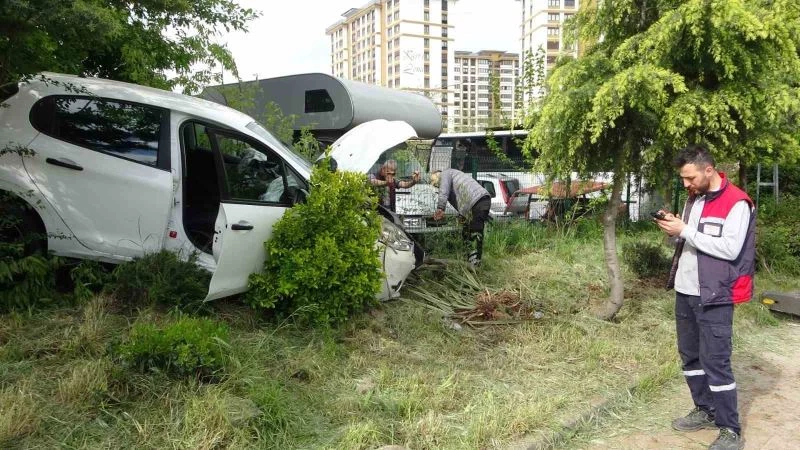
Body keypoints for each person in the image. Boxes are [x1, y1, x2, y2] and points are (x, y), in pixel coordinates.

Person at [655, 144, 755, 450]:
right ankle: (705, 408)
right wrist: (674, 229)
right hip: (686, 290)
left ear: (708, 170)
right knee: (691, 356)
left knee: (717, 362)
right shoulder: (694, 199)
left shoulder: (737, 202)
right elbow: (692, 240)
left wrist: (685, 230)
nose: (686, 184)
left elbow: (730, 249)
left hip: (715, 293)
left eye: (690, 177)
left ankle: (729, 429)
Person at [430, 169, 491, 267]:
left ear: (437, 175)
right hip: (478, 201)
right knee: (467, 232)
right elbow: (460, 199)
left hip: (477, 201)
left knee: (475, 233)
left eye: (433, 181)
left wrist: (440, 208)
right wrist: (462, 215)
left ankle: (475, 265)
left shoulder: (445, 174)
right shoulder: (452, 176)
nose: (433, 184)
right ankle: (470, 261)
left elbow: (443, 192)